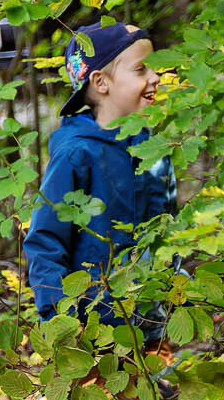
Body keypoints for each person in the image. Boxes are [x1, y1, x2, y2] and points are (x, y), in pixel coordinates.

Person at [23, 20, 175, 336]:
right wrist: (61, 321)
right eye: (141, 69)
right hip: (93, 330)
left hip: (150, 324)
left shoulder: (153, 148)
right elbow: (46, 240)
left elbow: (168, 228)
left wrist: (173, 295)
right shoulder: (77, 154)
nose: (155, 77)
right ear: (101, 82)